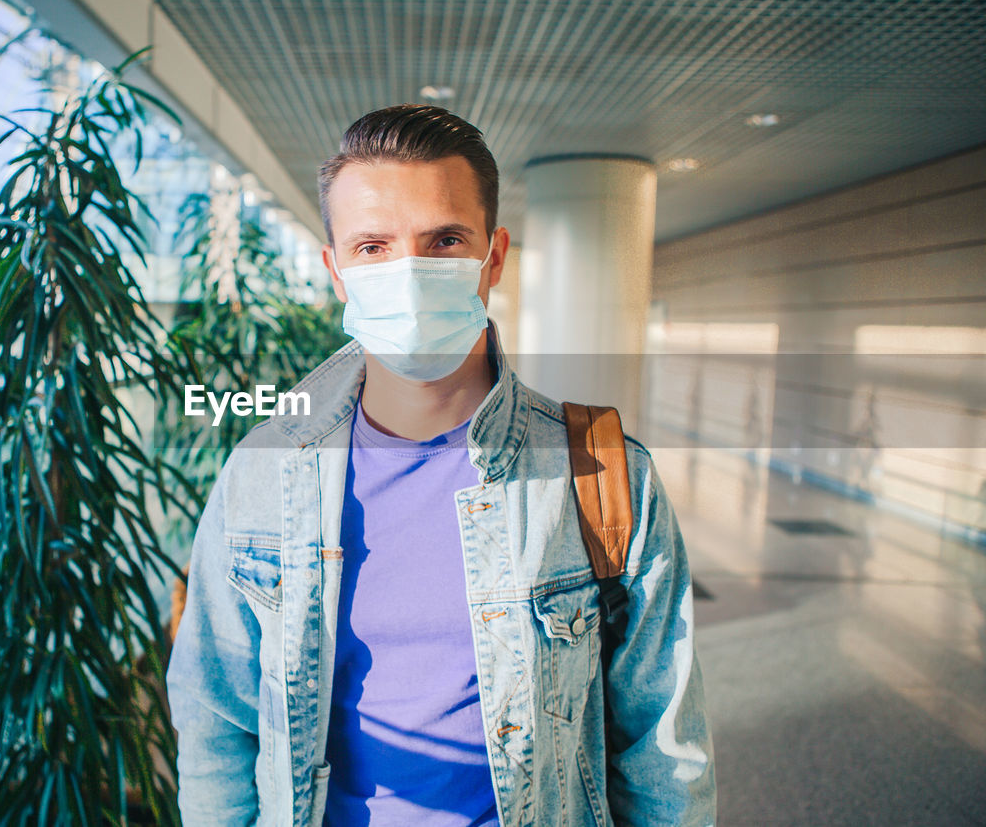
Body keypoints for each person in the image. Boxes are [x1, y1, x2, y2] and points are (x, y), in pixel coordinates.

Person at [166, 104, 716, 826]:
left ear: (494, 257)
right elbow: (216, 723)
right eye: (373, 247)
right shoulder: (264, 474)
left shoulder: (602, 473)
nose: (410, 272)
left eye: (445, 239)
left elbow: (662, 750)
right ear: (336, 270)